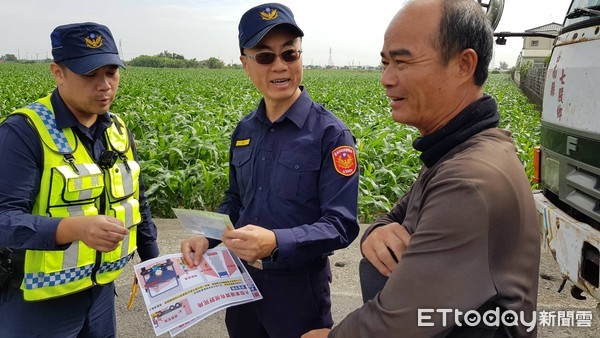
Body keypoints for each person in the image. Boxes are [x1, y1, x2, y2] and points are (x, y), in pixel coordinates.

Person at [303, 0, 540, 337]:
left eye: (402, 61)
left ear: (463, 64)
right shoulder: (454, 151)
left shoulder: (470, 179)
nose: (386, 78)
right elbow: (395, 216)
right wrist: (376, 232)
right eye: (385, 63)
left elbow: (396, 325)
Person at [181, 3, 359, 338]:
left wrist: (276, 241)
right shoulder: (245, 130)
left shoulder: (331, 135)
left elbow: (342, 224)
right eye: (265, 57)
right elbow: (236, 200)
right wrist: (207, 236)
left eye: (289, 54)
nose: (280, 66)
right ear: (246, 64)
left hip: (298, 291)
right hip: (240, 283)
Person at [0, 22, 159, 337]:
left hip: (99, 294)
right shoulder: (23, 132)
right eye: (89, 75)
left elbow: (136, 200)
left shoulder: (118, 129)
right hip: (37, 305)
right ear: (58, 72)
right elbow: (4, 218)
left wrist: (152, 260)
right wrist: (72, 229)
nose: (104, 86)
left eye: (111, 72)